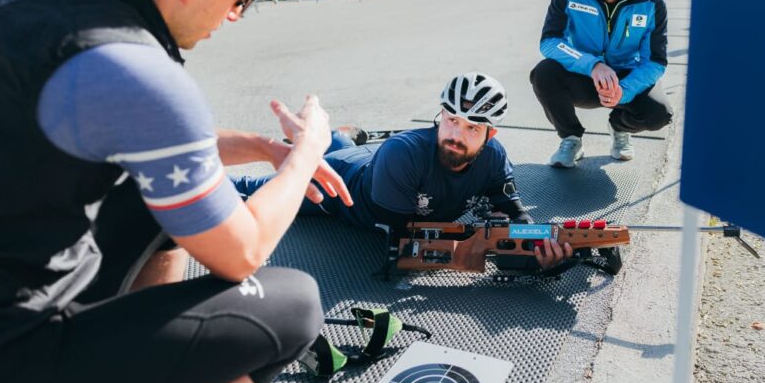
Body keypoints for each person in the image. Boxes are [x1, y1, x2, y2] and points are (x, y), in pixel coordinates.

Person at [0, 0, 353, 383]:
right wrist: (308, 152)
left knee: (151, 196)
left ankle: (124, 381)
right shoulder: (144, 74)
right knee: (298, 307)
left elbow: (117, 125)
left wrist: (261, 147)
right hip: (8, 374)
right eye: (240, 0)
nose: (233, 17)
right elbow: (244, 250)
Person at [232, 73, 572, 270]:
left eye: (471, 128)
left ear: (490, 134)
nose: (455, 135)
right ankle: (330, 140)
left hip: (381, 162)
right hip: (345, 185)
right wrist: (500, 254)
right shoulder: (403, 154)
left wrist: (540, 244)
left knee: (349, 146)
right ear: (441, 114)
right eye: (451, 120)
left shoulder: (495, 157)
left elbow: (514, 213)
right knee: (252, 191)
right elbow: (406, 245)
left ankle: (341, 137)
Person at [530, 0, 673, 167]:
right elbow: (550, 41)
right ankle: (571, 138)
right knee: (544, 74)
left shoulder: (653, 5)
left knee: (659, 113)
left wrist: (624, 90)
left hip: (624, 78)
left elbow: (656, 62)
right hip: (584, 74)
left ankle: (619, 127)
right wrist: (593, 65)